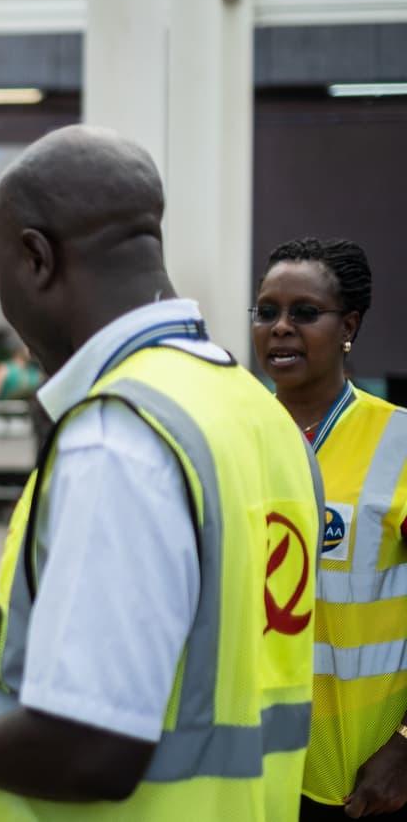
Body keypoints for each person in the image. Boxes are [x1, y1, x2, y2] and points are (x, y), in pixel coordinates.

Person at [0, 125, 323, 821]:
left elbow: (94, 748)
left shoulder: (120, 435)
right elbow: (188, 672)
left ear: (37, 259)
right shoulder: (259, 413)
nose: (4, 299)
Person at [251, 237, 407, 820]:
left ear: (350, 324)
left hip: (357, 780)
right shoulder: (231, 436)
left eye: (304, 313)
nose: (281, 328)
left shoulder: (398, 442)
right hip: (245, 766)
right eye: (267, 312)